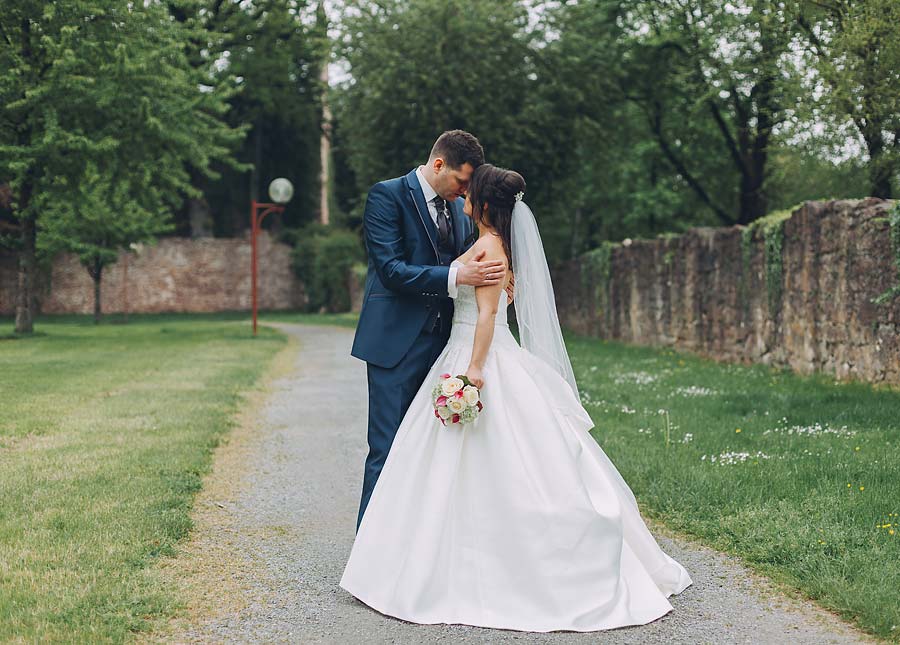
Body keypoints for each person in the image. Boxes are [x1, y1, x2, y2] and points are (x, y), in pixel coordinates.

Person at [340, 164, 692, 632]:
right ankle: (405, 556)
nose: (463, 195)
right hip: (463, 349)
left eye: (471, 191)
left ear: (483, 204)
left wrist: (474, 372)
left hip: (476, 356)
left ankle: (434, 565)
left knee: (477, 462)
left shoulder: (487, 245)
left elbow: (486, 317)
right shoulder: (490, 240)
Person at [350, 130, 509, 531]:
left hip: (445, 347)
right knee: (387, 449)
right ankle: (370, 555)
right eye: (461, 182)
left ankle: (417, 549)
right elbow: (391, 269)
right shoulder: (386, 196)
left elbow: (476, 267)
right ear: (439, 165)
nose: (464, 192)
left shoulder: (458, 208)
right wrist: (459, 275)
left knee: (430, 454)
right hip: (395, 344)